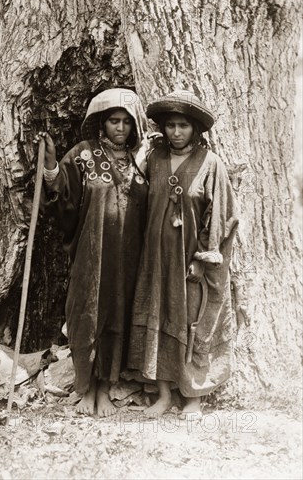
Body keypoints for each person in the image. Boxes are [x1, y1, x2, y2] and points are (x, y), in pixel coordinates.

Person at [127, 90, 239, 418]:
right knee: (159, 318)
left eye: (184, 127)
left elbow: (222, 213)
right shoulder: (157, 159)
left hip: (191, 263)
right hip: (157, 260)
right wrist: (143, 152)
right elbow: (133, 196)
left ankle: (193, 398)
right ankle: (163, 395)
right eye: (171, 126)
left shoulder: (210, 164)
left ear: (196, 130)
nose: (176, 132)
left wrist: (204, 259)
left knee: (193, 322)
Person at [40, 88, 149, 417]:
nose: (120, 127)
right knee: (87, 316)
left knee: (119, 318)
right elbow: (63, 197)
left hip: (129, 259)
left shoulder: (142, 160)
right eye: (113, 121)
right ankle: (85, 388)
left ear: (133, 126)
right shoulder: (83, 155)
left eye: (126, 122)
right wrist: (49, 164)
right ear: (101, 124)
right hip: (92, 254)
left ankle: (105, 388)